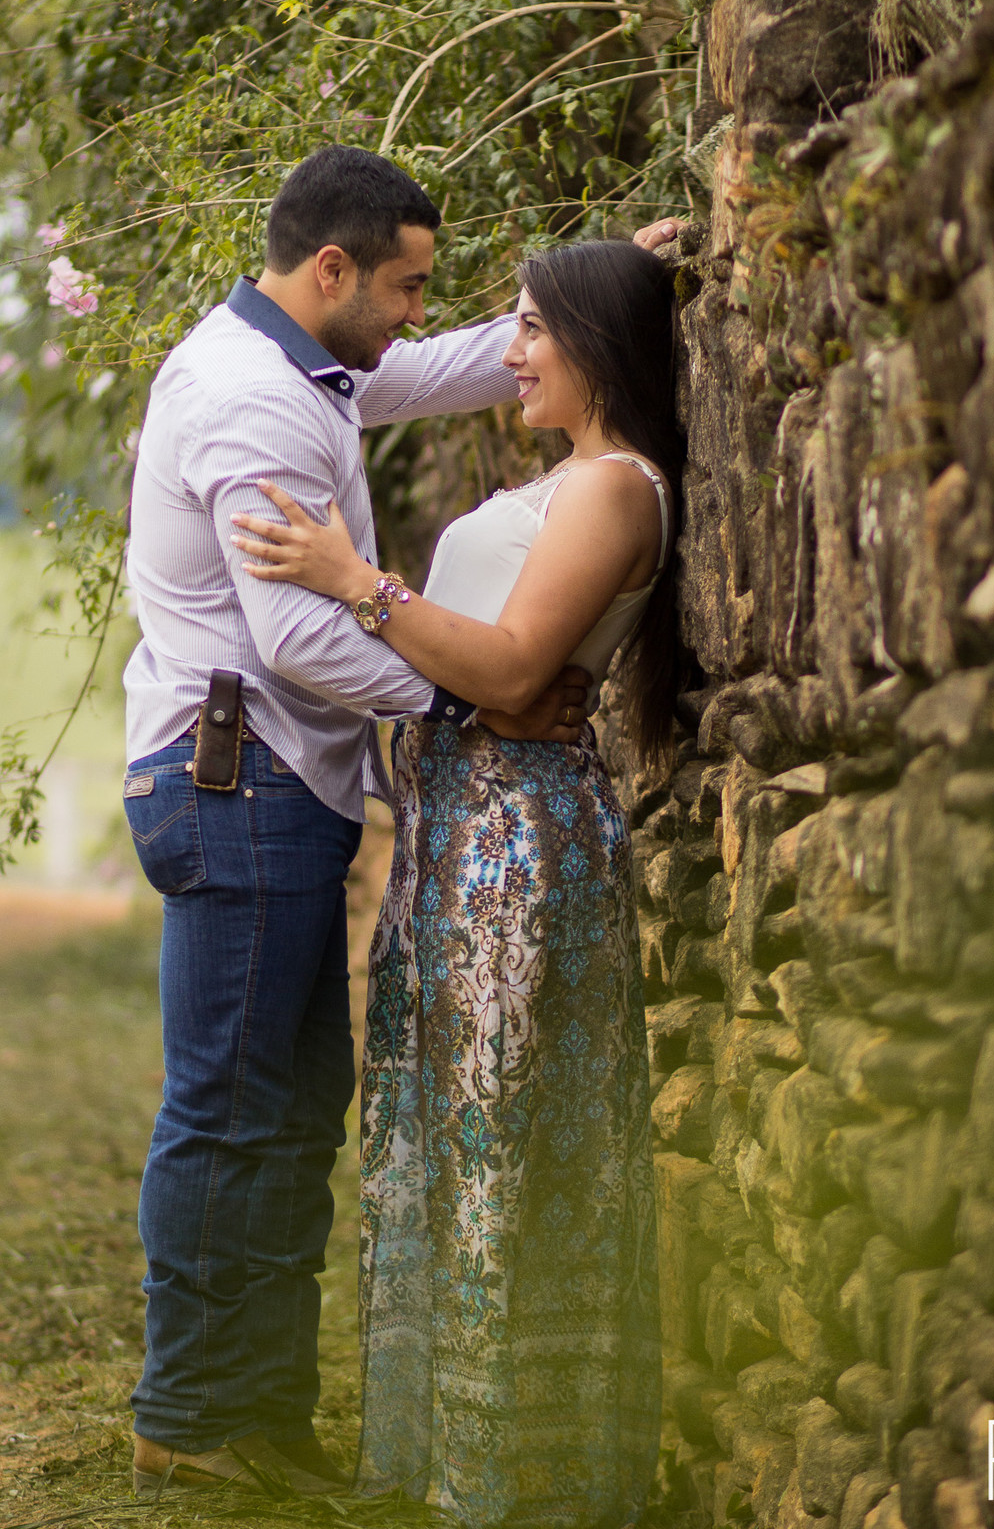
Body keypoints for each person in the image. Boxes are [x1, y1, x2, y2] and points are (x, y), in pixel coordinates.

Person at [121, 145, 634, 1501]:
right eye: (405, 286)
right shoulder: (254, 406)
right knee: (234, 1108)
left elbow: (430, 367)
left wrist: (601, 294)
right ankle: (193, 1414)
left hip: (266, 786)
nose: (421, 312)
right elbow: (296, 638)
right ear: (332, 270)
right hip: (237, 783)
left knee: (290, 1105)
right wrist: (474, 687)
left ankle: (251, 1411)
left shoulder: (303, 361)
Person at [228, 236, 683, 1527]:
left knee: (510, 1143)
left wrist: (350, 581)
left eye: (534, 328)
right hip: (452, 838)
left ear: (597, 342)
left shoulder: (616, 487)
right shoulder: (563, 478)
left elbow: (510, 672)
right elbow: (484, 664)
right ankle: (450, 1458)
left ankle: (528, 1473)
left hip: (518, 847)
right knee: (442, 1138)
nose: (512, 350)